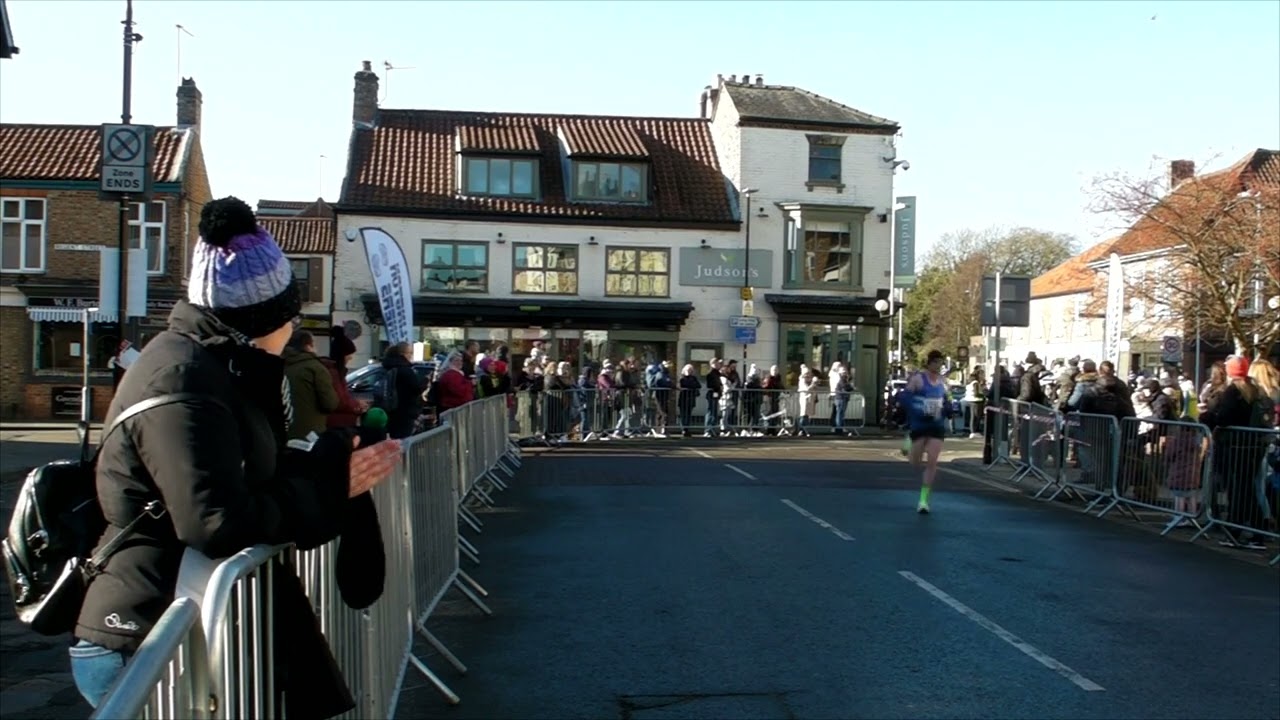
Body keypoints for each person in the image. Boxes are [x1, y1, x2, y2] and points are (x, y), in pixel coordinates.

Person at [70, 197, 402, 713]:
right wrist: (332, 488)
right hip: (152, 636)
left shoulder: (219, 370)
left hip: (190, 620)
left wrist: (330, 469)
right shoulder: (185, 381)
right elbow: (216, 520)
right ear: (260, 319)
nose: (294, 330)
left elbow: (252, 477)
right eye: (288, 317)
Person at [902, 350, 951, 514]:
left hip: (936, 425)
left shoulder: (943, 382)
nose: (938, 365)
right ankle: (909, 440)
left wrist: (949, 408)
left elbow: (947, 399)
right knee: (915, 463)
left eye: (940, 363)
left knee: (932, 462)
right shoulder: (918, 379)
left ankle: (923, 501)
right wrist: (917, 406)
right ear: (929, 363)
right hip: (919, 425)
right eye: (936, 362)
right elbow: (905, 398)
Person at [283, 329, 340, 441]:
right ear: (308, 346)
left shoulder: (280, 365)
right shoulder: (315, 368)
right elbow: (330, 403)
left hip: (284, 433)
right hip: (310, 434)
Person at [321, 326, 368, 429]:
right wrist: (356, 405)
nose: (350, 358)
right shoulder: (333, 373)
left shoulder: (336, 372)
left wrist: (356, 403)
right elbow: (341, 401)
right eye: (348, 355)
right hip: (337, 423)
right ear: (341, 354)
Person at [380, 342, 426, 439]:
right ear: (403, 354)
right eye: (409, 353)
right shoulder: (405, 369)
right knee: (404, 439)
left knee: (394, 436)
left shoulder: (387, 366)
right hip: (406, 410)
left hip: (391, 408)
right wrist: (425, 381)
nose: (411, 356)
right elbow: (416, 388)